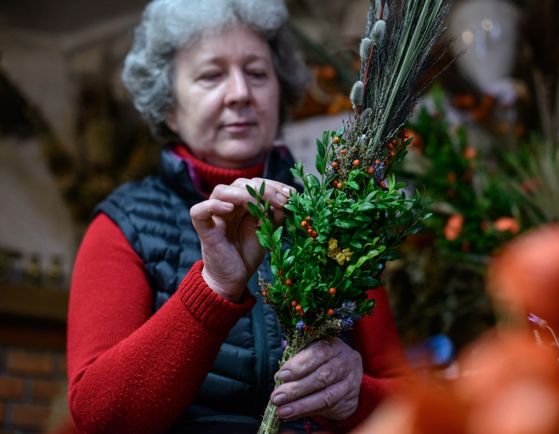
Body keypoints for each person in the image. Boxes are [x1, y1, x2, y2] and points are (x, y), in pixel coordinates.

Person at [66, 0, 408, 433]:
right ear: (169, 106)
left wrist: (358, 395)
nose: (241, 93)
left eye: (257, 73)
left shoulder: (335, 219)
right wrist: (213, 288)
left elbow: (409, 401)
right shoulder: (124, 224)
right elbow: (100, 417)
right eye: (211, 75)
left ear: (279, 91)